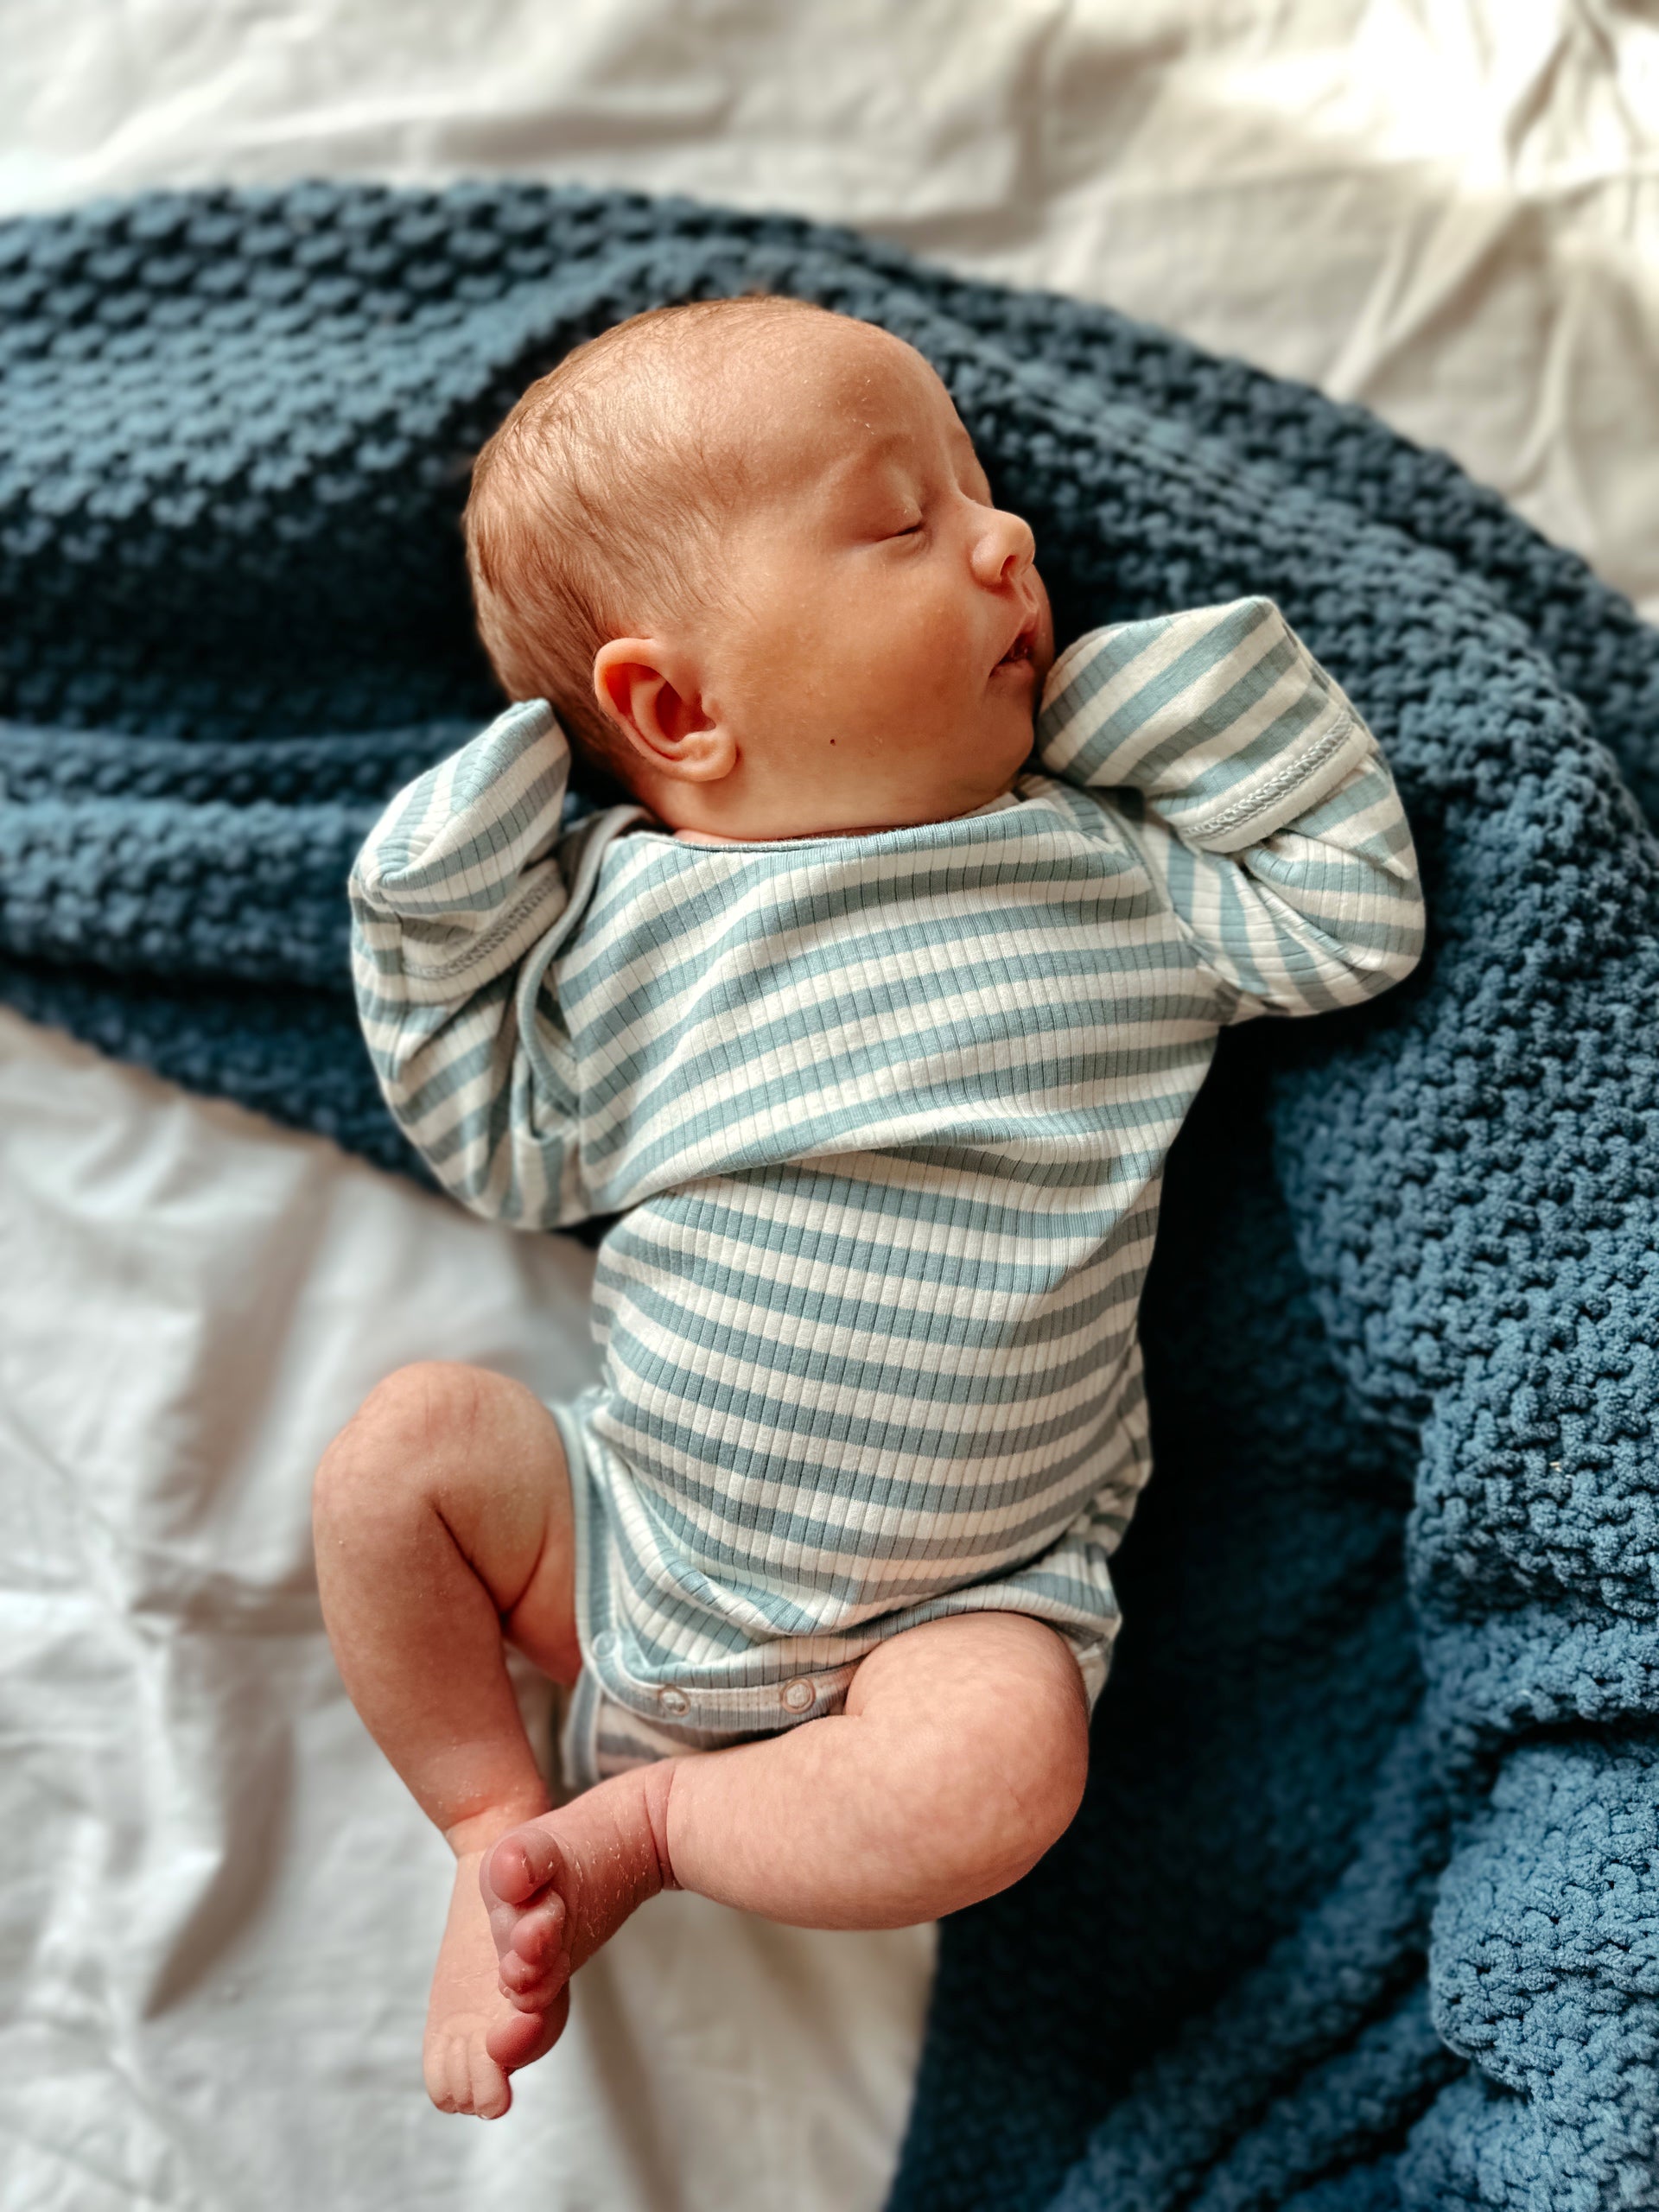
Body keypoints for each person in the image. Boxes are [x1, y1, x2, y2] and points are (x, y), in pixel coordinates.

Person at [315, 296, 1425, 2120]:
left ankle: (648, 1824)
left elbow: (1350, 915)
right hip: (621, 1547)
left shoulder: (1106, 868)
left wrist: (1177, 689)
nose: (1011, 543)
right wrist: (430, 910)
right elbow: (499, 1145)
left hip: (958, 1613)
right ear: (676, 707)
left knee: (1008, 1771)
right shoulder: (629, 925)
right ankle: (494, 1818)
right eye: (905, 523)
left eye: (986, 504)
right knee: (400, 1457)